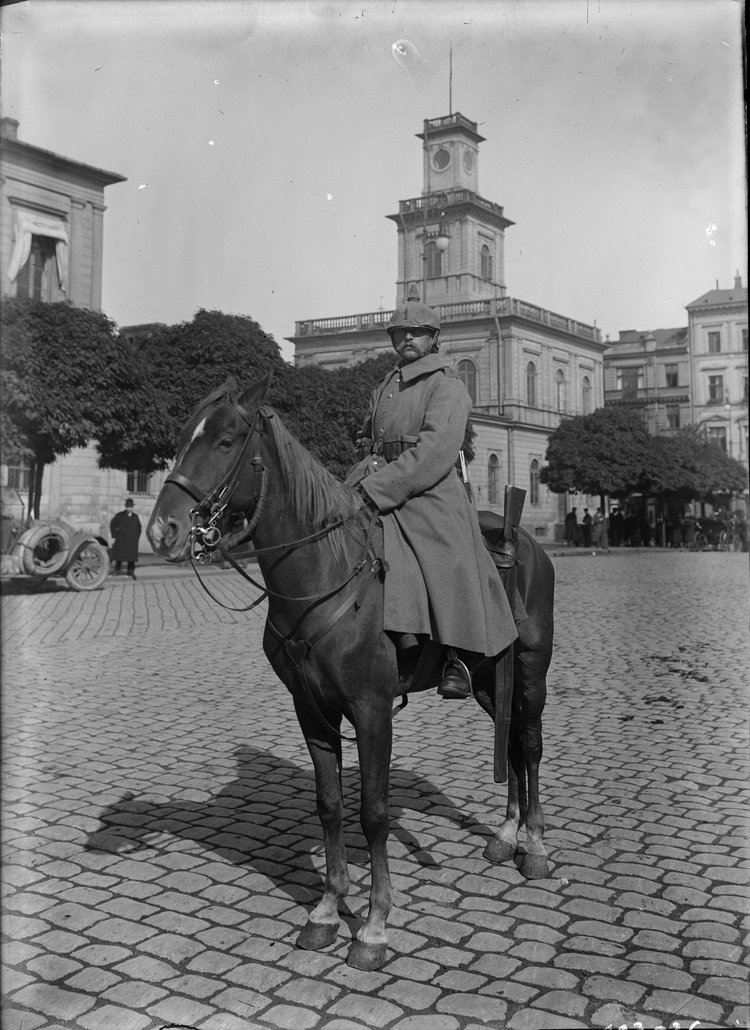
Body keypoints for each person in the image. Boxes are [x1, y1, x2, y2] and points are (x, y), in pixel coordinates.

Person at [345, 298, 518, 700]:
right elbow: (369, 438)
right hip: (378, 478)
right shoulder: (386, 385)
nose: (407, 338)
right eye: (399, 332)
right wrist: (362, 473)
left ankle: (458, 656)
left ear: (433, 338)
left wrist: (379, 487)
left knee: (445, 553)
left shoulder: (447, 385)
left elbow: (435, 453)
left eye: (417, 332)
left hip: (429, 488)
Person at [110, 498, 142, 579]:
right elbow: (112, 524)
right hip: (122, 539)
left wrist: (136, 537)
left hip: (132, 540)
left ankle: (130, 571)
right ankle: (116, 570)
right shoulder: (120, 515)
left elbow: (139, 528)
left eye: (130, 507)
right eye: (128, 507)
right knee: (119, 556)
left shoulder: (135, 517)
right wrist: (114, 535)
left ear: (132, 507)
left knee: (131, 557)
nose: (129, 509)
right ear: (125, 507)